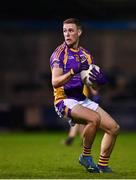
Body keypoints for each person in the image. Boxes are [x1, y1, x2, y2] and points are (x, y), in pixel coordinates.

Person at [50, 18, 120, 173]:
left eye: (70, 30)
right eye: (64, 31)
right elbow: (55, 82)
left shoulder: (86, 55)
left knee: (114, 128)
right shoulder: (59, 55)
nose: (67, 34)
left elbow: (91, 85)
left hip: (81, 99)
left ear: (79, 32)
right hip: (64, 100)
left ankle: (102, 165)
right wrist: (72, 71)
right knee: (94, 118)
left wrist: (98, 82)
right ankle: (85, 156)